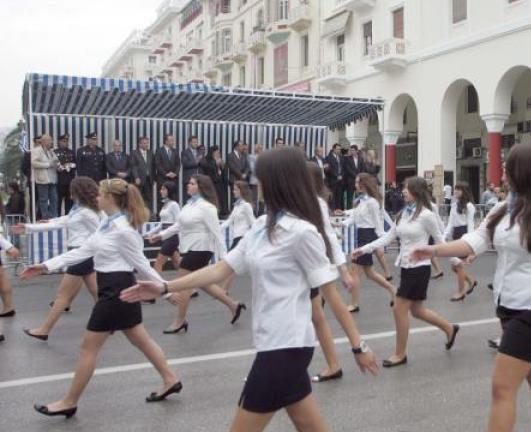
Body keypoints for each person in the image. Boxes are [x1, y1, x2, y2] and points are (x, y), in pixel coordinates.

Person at [120, 147, 378, 431]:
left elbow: (331, 295)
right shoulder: (260, 226)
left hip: (285, 348)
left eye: (261, 178)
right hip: (273, 343)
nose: (257, 185)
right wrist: (164, 285)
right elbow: (221, 269)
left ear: (278, 181)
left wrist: (359, 346)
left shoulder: (302, 233)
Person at [411, 143, 531, 430]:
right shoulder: (503, 209)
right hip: (508, 305)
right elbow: (474, 242)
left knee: (502, 388)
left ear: (524, 171)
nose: (501, 172)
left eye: (506, 167)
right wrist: (434, 250)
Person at [21, 178, 181, 418]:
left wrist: (166, 289)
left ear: (110, 199)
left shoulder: (123, 230)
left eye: (100, 195)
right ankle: (170, 379)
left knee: (88, 348)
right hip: (113, 287)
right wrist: (45, 265)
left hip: (117, 290)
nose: (96, 198)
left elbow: (141, 264)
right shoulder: (106, 223)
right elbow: (83, 251)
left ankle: (69, 401)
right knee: (141, 339)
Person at [352, 176, 460, 368]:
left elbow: (439, 241)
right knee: (417, 311)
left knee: (399, 308)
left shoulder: (427, 215)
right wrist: (364, 249)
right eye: (403, 188)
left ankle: (400, 354)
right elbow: (388, 237)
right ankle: (450, 328)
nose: (403, 191)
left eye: (407, 189)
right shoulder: (402, 214)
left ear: (416, 192)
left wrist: (456, 260)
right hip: (405, 267)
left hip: (419, 269)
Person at [148, 174, 246, 334]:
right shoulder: (188, 206)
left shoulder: (207, 208)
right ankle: (233, 305)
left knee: (184, 283)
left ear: (200, 187)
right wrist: (160, 236)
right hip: (190, 248)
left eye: (192, 183)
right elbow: (177, 225)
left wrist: (225, 258)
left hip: (201, 249)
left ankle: (179, 321)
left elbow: (217, 233)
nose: (188, 185)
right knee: (203, 282)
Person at [15, 177, 101, 340]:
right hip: (82, 255)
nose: (70, 193)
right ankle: (108, 322)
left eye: (72, 190)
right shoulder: (80, 208)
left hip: (81, 254)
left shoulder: (87, 212)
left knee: (62, 297)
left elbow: (100, 234)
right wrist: (30, 227)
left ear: (78, 191)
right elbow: (63, 221)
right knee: (97, 292)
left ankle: (44, 330)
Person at [306, 161, 360, 382]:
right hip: (308, 261)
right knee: (316, 315)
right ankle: (334, 363)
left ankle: (355, 348)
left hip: (319, 259)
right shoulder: (301, 200)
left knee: (328, 310)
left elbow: (328, 235)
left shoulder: (316, 202)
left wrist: (344, 271)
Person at [336, 173, 396, 312]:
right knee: (369, 273)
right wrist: (340, 223)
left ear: (364, 184)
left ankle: (354, 304)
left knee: (355, 270)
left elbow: (378, 223)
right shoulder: (360, 201)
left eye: (357, 182)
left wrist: (382, 241)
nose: (355, 185)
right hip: (361, 235)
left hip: (368, 236)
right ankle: (393, 289)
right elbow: (354, 219)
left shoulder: (372, 202)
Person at [443, 181, 478, 301]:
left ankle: (461, 291)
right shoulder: (453, 205)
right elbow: (450, 224)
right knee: (455, 267)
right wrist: (443, 237)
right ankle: (470, 281)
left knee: (458, 266)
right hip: (456, 234)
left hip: (464, 234)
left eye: (459, 189)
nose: (456, 191)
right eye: (455, 189)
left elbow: (471, 224)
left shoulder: (469, 206)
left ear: (464, 191)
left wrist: (470, 240)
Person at [220, 181, 256, 294]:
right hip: (237, 237)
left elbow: (253, 222)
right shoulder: (237, 206)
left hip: (242, 237)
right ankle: (224, 289)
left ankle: (224, 290)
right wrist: (217, 229)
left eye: (235, 189)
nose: (233, 191)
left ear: (241, 191)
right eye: (234, 189)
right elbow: (229, 220)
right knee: (236, 264)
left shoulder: (246, 206)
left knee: (231, 263)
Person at [144, 182, 182, 275]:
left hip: (172, 237)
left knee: (158, 264)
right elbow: (161, 224)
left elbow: (179, 223)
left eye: (164, 189)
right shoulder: (165, 204)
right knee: (179, 265)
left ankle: (161, 288)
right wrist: (149, 233)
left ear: (169, 190)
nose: (161, 191)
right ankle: (192, 283)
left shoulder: (174, 205)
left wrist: (161, 234)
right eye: (161, 189)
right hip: (165, 237)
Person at [31, 134, 59, 219]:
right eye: (49, 140)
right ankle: (45, 217)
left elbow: (55, 161)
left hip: (52, 178)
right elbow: (34, 163)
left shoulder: (51, 151)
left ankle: (54, 216)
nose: (51, 142)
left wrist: (59, 166)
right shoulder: (36, 150)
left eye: (51, 140)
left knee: (54, 198)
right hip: (42, 179)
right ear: (43, 141)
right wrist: (48, 164)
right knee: (43, 199)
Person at [200, 145, 228, 218]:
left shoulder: (220, 159)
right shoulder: (208, 159)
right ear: (212, 152)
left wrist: (222, 165)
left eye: (219, 152)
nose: (218, 154)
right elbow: (208, 168)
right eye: (216, 152)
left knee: (221, 198)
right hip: (212, 182)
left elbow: (223, 170)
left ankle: (222, 212)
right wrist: (216, 163)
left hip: (220, 182)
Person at [154, 134, 180, 211]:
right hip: (163, 179)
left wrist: (175, 173)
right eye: (171, 140)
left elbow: (178, 164)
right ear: (166, 141)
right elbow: (157, 164)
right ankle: (160, 217)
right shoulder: (159, 151)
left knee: (174, 198)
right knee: (162, 198)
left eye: (173, 140)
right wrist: (166, 174)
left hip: (173, 179)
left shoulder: (175, 151)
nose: (173, 142)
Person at [129, 136, 154, 210]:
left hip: (149, 180)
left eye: (147, 143)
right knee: (138, 198)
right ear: (139, 144)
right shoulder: (134, 153)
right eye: (144, 143)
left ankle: (149, 216)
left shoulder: (150, 153)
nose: (146, 145)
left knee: (149, 199)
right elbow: (133, 166)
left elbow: (153, 166)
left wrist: (154, 178)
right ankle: (138, 215)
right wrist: (136, 177)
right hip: (139, 180)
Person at [54, 134, 77, 214]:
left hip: (70, 180)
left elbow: (75, 164)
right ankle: (58, 218)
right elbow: (54, 165)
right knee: (58, 201)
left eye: (66, 141)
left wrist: (70, 165)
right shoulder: (55, 152)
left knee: (69, 201)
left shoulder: (71, 152)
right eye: (63, 141)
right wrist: (61, 167)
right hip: (59, 180)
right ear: (59, 142)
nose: (65, 143)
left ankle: (68, 217)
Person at [181, 136, 205, 201]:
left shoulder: (200, 152)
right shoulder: (185, 152)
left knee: (199, 198)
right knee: (187, 198)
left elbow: (204, 164)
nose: (196, 144)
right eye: (194, 142)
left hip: (198, 179)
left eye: (197, 142)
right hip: (189, 179)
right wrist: (196, 161)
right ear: (189, 143)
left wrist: (202, 160)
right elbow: (186, 164)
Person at [342, 145, 363, 210]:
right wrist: (356, 176)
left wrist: (359, 176)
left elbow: (362, 168)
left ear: (357, 151)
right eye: (351, 150)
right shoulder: (347, 158)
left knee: (359, 197)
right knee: (349, 197)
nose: (352, 152)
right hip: (350, 181)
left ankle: (359, 210)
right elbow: (348, 169)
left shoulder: (361, 159)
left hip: (359, 181)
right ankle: (349, 210)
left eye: (353, 150)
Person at [325, 144, 344, 211]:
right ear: (334, 149)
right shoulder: (328, 158)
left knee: (339, 196)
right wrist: (336, 175)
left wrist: (341, 175)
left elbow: (343, 168)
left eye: (340, 149)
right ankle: (332, 210)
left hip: (340, 180)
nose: (339, 150)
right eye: (338, 149)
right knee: (332, 196)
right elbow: (328, 169)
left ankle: (338, 210)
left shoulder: (341, 157)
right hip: (332, 180)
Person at [247, 144, 263, 214]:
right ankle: (254, 212)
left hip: (263, 181)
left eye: (261, 148)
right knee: (254, 198)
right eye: (258, 148)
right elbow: (253, 168)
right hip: (255, 180)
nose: (260, 149)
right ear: (255, 149)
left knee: (262, 198)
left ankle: (261, 212)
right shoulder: (251, 157)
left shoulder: (264, 156)